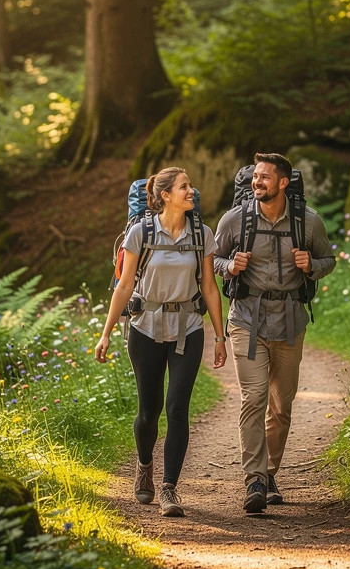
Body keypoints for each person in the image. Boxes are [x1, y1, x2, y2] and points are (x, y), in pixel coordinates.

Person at [95, 166, 227, 517]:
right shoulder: (141, 232)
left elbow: (210, 287)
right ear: (165, 195)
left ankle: (169, 488)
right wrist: (106, 332)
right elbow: (124, 286)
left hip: (188, 328)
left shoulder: (203, 235)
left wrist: (220, 336)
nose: (192, 192)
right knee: (148, 411)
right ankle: (144, 465)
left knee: (178, 408)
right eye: (185, 187)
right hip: (146, 328)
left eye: (191, 186)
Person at [214, 152, 336, 513]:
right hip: (246, 319)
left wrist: (311, 265)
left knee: (282, 405)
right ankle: (254, 479)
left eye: (265, 177)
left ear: (283, 182)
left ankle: (269, 473)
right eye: (255, 176)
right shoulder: (235, 219)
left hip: (290, 320)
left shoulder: (307, 222)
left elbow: (329, 260)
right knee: (254, 398)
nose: (257, 182)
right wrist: (229, 266)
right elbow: (212, 260)